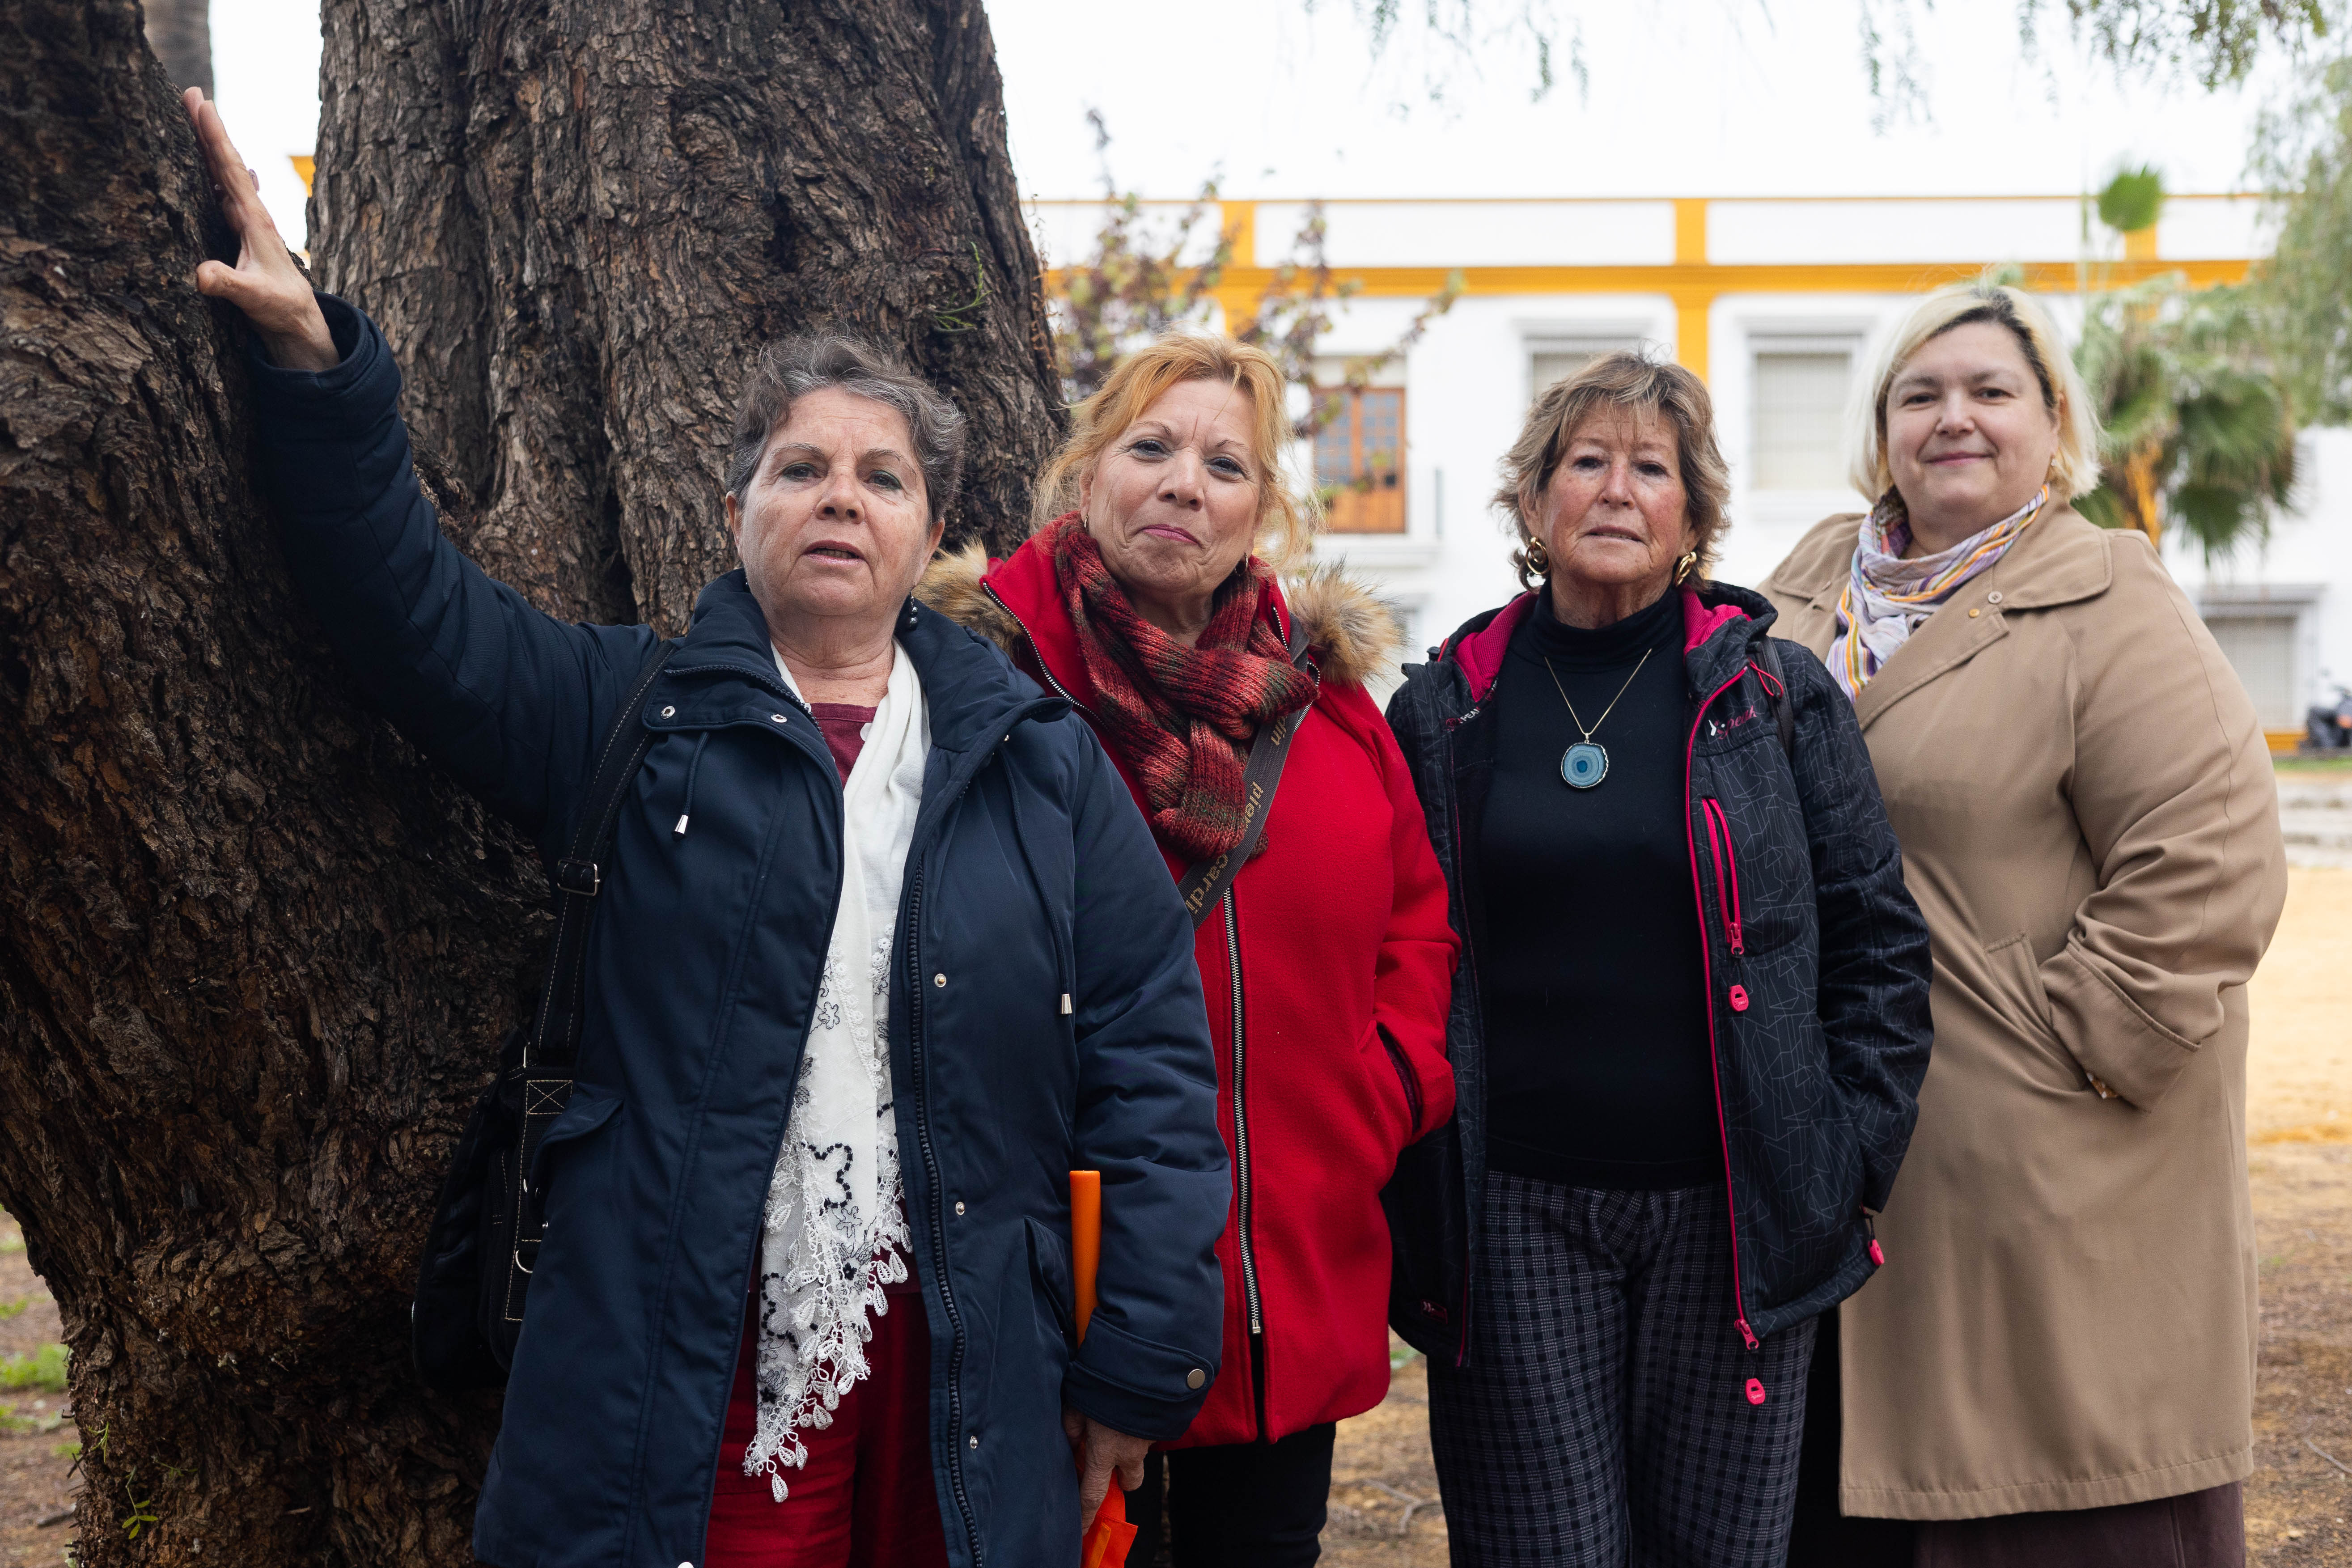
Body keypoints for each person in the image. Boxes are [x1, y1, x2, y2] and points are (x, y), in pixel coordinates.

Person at [182, 91, 1229, 1568]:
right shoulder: (628, 706)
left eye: (883, 477)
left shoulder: (1037, 763)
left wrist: (1137, 1359)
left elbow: (1152, 1065)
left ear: (933, 535)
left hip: (972, 1366)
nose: (839, 500)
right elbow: (410, 614)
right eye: (799, 469)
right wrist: (318, 365)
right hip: (682, 1350)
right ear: (734, 505)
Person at [1763, 279, 2289, 1568]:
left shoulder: (2108, 599)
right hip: (1826, 1143)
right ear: (1878, 425)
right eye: (1919, 393)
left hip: (2046, 1159)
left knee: (2049, 1494)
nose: (1955, 418)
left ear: (2051, 425)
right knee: (1844, 1492)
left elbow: (2209, 852)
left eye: (1991, 391)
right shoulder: (1803, 589)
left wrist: (2079, 1049)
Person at [1383, 351, 1934, 1567]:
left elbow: (1876, 941)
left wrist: (1844, 1157)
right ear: (1534, 502)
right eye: (1586, 462)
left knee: (1719, 1553)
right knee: (1547, 1552)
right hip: (1511, 1213)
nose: (1618, 490)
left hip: (1731, 1214)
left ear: (1693, 512)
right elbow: (1391, 952)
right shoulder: (1444, 710)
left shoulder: (1773, 698)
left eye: (1652, 467)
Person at [916, 334, 1459, 1565]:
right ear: (1084, 470)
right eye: (1150, 447)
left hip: (1288, 1273)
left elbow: (1416, 922)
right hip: (1061, 1280)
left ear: (1260, 510)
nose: (1183, 483)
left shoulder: (1322, 696)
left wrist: (1375, 1093)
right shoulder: (987, 679)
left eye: (1225, 464)